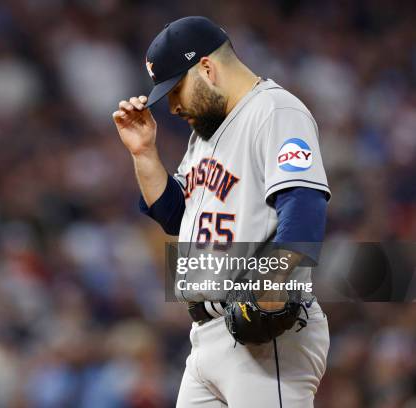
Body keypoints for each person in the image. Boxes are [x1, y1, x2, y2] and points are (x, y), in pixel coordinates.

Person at [112, 16, 330, 407]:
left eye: (176, 89)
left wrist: (269, 288)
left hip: (262, 339)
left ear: (207, 68)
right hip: (207, 337)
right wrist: (144, 153)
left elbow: (304, 205)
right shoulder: (205, 135)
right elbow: (175, 215)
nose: (173, 106)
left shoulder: (275, 110)